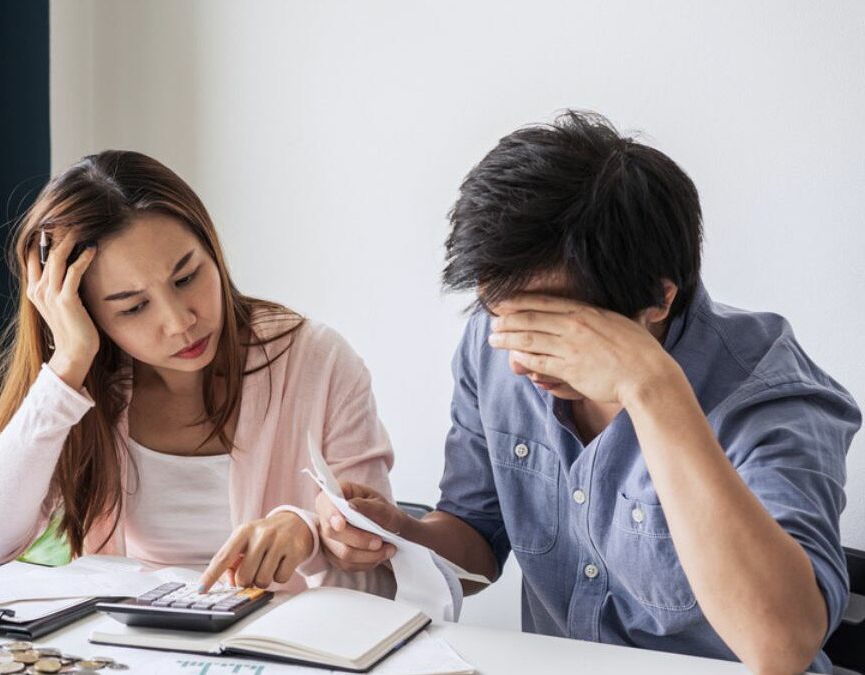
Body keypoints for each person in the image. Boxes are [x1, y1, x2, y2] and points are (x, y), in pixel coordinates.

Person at [316, 111, 860, 674]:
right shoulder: (494, 343)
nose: (520, 361)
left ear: (659, 298)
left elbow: (781, 648)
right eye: (503, 317)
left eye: (552, 329)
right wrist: (399, 535)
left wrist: (651, 388)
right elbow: (477, 538)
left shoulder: (770, 395)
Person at [0, 150, 395, 594]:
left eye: (186, 278)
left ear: (211, 249)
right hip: (135, 635)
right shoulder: (89, 386)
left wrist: (307, 531)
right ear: (85, 313)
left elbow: (378, 562)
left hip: (288, 636)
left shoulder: (317, 361)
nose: (179, 322)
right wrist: (67, 365)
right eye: (133, 307)